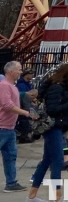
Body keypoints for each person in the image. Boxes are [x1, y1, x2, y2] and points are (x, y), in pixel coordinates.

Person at [24, 63, 68, 202]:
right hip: (52, 127)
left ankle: (32, 196)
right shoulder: (56, 88)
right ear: (66, 75)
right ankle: (57, 198)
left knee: (47, 160)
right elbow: (53, 109)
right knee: (57, 161)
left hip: (54, 127)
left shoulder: (58, 87)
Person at [2, 60, 32, 192]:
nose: (21, 72)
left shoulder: (12, 86)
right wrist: (25, 113)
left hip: (9, 127)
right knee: (10, 155)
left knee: (11, 156)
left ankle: (11, 182)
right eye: (19, 69)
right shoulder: (4, 86)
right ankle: (11, 182)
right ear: (11, 71)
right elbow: (7, 105)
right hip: (2, 126)